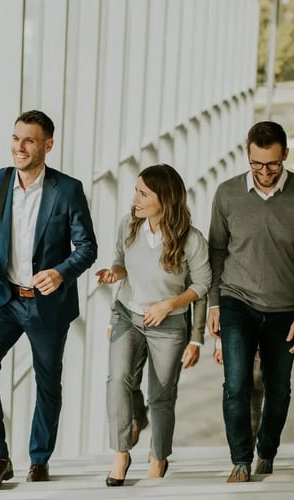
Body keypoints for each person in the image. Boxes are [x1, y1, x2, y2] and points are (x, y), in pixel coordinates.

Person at [0, 110, 98, 490]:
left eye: (28, 140)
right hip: (5, 298)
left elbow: (87, 247)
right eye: (15, 138)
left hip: (46, 303)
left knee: (48, 383)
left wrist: (60, 272)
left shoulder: (67, 189)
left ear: (47, 145)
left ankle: (39, 458)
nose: (19, 147)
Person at [207, 121, 294, 483]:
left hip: (285, 309)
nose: (264, 172)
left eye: (272, 164)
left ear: (285, 156)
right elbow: (215, 252)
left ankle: (268, 453)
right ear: (247, 154)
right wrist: (213, 304)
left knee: (279, 388)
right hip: (236, 301)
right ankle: (241, 460)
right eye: (257, 164)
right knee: (236, 383)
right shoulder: (227, 194)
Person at [96, 164, 211, 486]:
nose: (135, 199)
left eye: (143, 193)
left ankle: (158, 458)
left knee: (161, 397)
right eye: (136, 191)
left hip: (168, 325)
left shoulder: (191, 239)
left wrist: (169, 305)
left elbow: (202, 284)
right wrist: (114, 273)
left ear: (165, 199)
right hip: (127, 314)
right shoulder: (129, 225)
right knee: (117, 379)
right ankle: (121, 453)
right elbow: (120, 262)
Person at [127, 293, 208, 447]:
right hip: (137, 320)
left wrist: (196, 338)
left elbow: (200, 292)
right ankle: (138, 416)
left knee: (165, 389)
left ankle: (158, 446)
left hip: (175, 323)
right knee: (128, 378)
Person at [214, 343, 263, 448]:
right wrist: (220, 344)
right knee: (236, 391)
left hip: (265, 338)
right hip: (238, 338)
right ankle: (243, 456)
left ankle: (249, 452)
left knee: (257, 392)